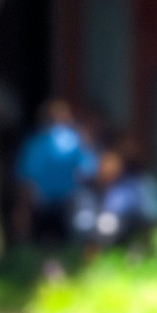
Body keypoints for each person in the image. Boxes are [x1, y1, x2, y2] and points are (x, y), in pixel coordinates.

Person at [13, 100, 97, 248]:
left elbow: (24, 177)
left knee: (42, 241)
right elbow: (88, 170)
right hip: (68, 202)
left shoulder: (33, 143)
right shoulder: (76, 140)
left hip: (41, 202)